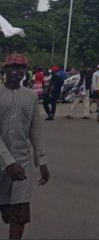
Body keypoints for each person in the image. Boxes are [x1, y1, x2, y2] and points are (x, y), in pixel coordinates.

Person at [0, 53, 49, 240]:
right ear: (5, 69)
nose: (16, 71)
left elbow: (35, 129)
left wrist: (42, 160)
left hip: (22, 162)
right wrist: (8, 163)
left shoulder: (30, 96)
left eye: (20, 68)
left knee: (19, 212)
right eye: (12, 67)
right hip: (3, 161)